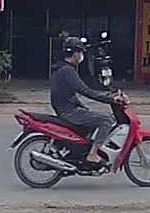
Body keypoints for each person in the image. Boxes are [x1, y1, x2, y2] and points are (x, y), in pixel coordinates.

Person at [51, 36, 124, 166]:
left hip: (66, 109)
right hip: (69, 112)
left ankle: (83, 150)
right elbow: (85, 91)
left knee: (92, 116)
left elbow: (71, 92)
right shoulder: (68, 71)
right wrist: (110, 99)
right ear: (74, 54)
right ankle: (92, 154)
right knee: (106, 120)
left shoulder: (61, 68)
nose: (81, 56)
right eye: (80, 52)